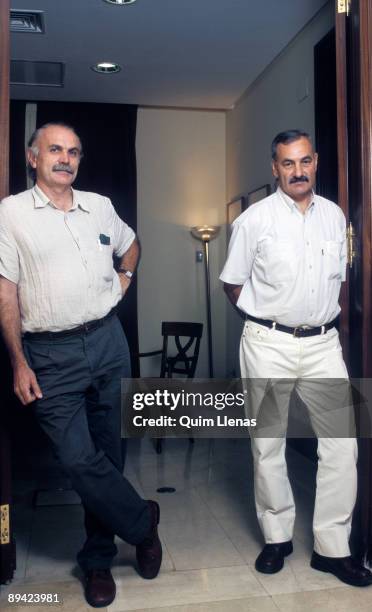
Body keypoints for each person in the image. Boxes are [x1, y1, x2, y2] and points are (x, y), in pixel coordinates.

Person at [0, 122, 162, 607]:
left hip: (109, 343)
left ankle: (97, 561)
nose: (65, 158)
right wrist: (18, 363)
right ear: (33, 158)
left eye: (73, 151)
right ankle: (142, 523)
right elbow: (5, 293)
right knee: (77, 459)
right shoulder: (11, 214)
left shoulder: (100, 207)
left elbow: (131, 246)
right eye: (54, 150)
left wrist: (123, 280)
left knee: (108, 457)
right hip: (50, 354)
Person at [220, 129, 372, 587]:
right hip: (268, 344)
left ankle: (332, 548)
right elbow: (233, 283)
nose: (298, 171)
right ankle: (277, 537)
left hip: (325, 345)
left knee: (343, 444)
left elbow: (339, 281)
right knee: (268, 443)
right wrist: (266, 320)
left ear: (316, 162)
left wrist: (320, 321)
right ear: (275, 168)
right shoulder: (254, 220)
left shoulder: (335, 216)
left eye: (304, 161)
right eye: (288, 163)